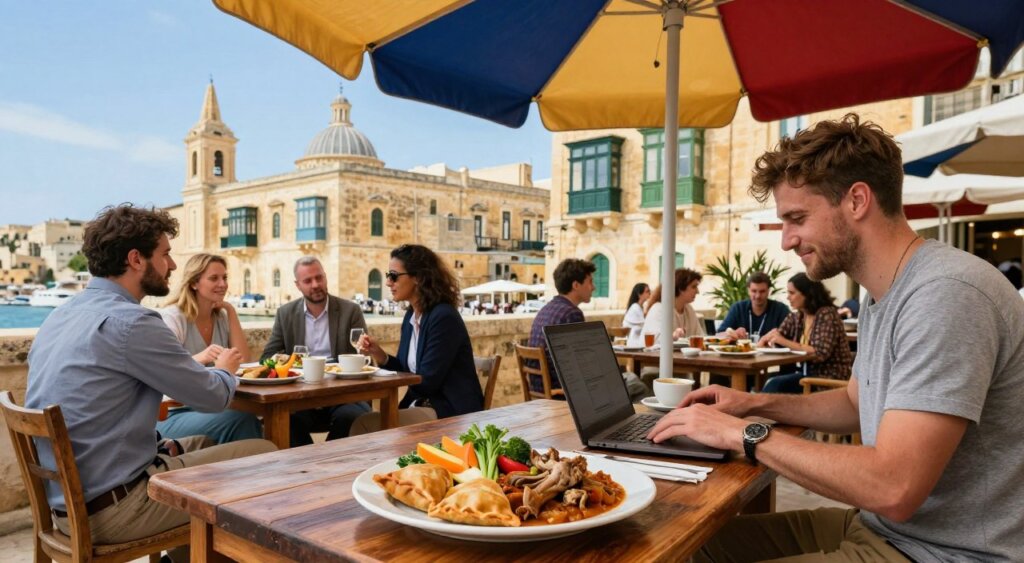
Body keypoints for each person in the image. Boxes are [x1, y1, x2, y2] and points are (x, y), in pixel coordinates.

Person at [647, 114, 1024, 561]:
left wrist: (742, 433)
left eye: (796, 218)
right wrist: (754, 404)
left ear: (857, 200)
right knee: (689, 548)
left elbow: (894, 485)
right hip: (884, 530)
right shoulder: (883, 293)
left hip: (944, 552)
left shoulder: (947, 294)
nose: (786, 241)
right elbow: (852, 403)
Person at [25, 205, 275, 562]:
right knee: (263, 455)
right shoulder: (133, 323)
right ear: (136, 259)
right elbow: (212, 397)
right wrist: (224, 369)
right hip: (115, 511)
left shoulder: (61, 314)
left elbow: (96, 408)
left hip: (69, 504)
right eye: (165, 254)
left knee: (203, 441)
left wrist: (157, 443)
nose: (172, 265)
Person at [353, 244, 482, 433]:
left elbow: (428, 381)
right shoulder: (412, 317)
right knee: (358, 421)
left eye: (394, 276)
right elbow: (408, 370)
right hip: (423, 404)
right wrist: (379, 355)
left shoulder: (443, 317)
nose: (388, 282)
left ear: (419, 278)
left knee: (363, 425)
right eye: (388, 275)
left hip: (449, 411)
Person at [262, 256, 369, 446]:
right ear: (298, 285)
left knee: (355, 417)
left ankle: (329, 462)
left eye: (319, 278)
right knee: (285, 420)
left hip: (342, 393)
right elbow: (267, 357)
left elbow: (363, 354)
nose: (315, 284)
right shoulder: (285, 314)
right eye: (308, 281)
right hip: (300, 396)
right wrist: (285, 359)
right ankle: (306, 468)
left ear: (326, 277)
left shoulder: (350, 311)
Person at [157, 253, 262, 443]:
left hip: (212, 407)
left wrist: (230, 310)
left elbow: (245, 363)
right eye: (214, 278)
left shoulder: (221, 317)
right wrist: (202, 357)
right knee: (242, 422)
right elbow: (164, 372)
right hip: (172, 413)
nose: (222, 284)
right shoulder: (174, 318)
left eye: (225, 278)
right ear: (194, 283)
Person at [758, 272, 852, 393]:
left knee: (775, 385)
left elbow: (820, 353)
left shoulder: (827, 315)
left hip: (827, 380)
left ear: (807, 294)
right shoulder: (798, 315)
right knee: (771, 381)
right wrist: (766, 339)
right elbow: (777, 336)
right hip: (806, 376)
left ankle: (753, 412)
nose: (788, 297)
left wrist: (782, 341)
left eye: (792, 293)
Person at [527, 258, 595, 393]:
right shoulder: (572, 314)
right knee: (636, 387)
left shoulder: (545, 310)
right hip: (561, 394)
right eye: (590, 282)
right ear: (576, 285)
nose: (593, 287)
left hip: (539, 391)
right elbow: (581, 364)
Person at [716, 271, 789, 342]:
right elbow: (718, 335)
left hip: (772, 353)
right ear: (748, 290)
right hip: (742, 352)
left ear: (768, 291)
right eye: (754, 291)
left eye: (762, 291)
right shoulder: (738, 308)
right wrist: (733, 333)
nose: (758, 296)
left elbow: (791, 338)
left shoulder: (780, 309)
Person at [641, 268, 705, 342]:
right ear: (681, 288)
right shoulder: (659, 309)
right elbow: (655, 341)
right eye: (694, 287)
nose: (698, 291)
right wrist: (674, 336)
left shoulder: (689, 309)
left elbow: (700, 337)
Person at [622, 282, 650, 347]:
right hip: (633, 343)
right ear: (639, 294)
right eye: (647, 291)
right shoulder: (635, 307)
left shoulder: (641, 307)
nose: (649, 294)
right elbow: (645, 325)